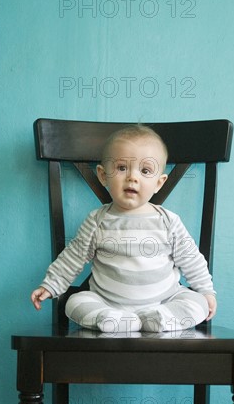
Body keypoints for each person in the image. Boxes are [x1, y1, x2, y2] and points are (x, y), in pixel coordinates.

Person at [30, 124, 217, 333]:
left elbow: (191, 258)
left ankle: (162, 320)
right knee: (74, 302)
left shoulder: (168, 221)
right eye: (121, 168)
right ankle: (112, 320)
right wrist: (51, 285)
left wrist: (206, 291)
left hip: (165, 301)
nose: (132, 177)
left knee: (197, 302)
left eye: (145, 171)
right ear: (102, 175)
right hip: (108, 303)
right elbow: (73, 257)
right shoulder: (97, 221)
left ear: (159, 183)